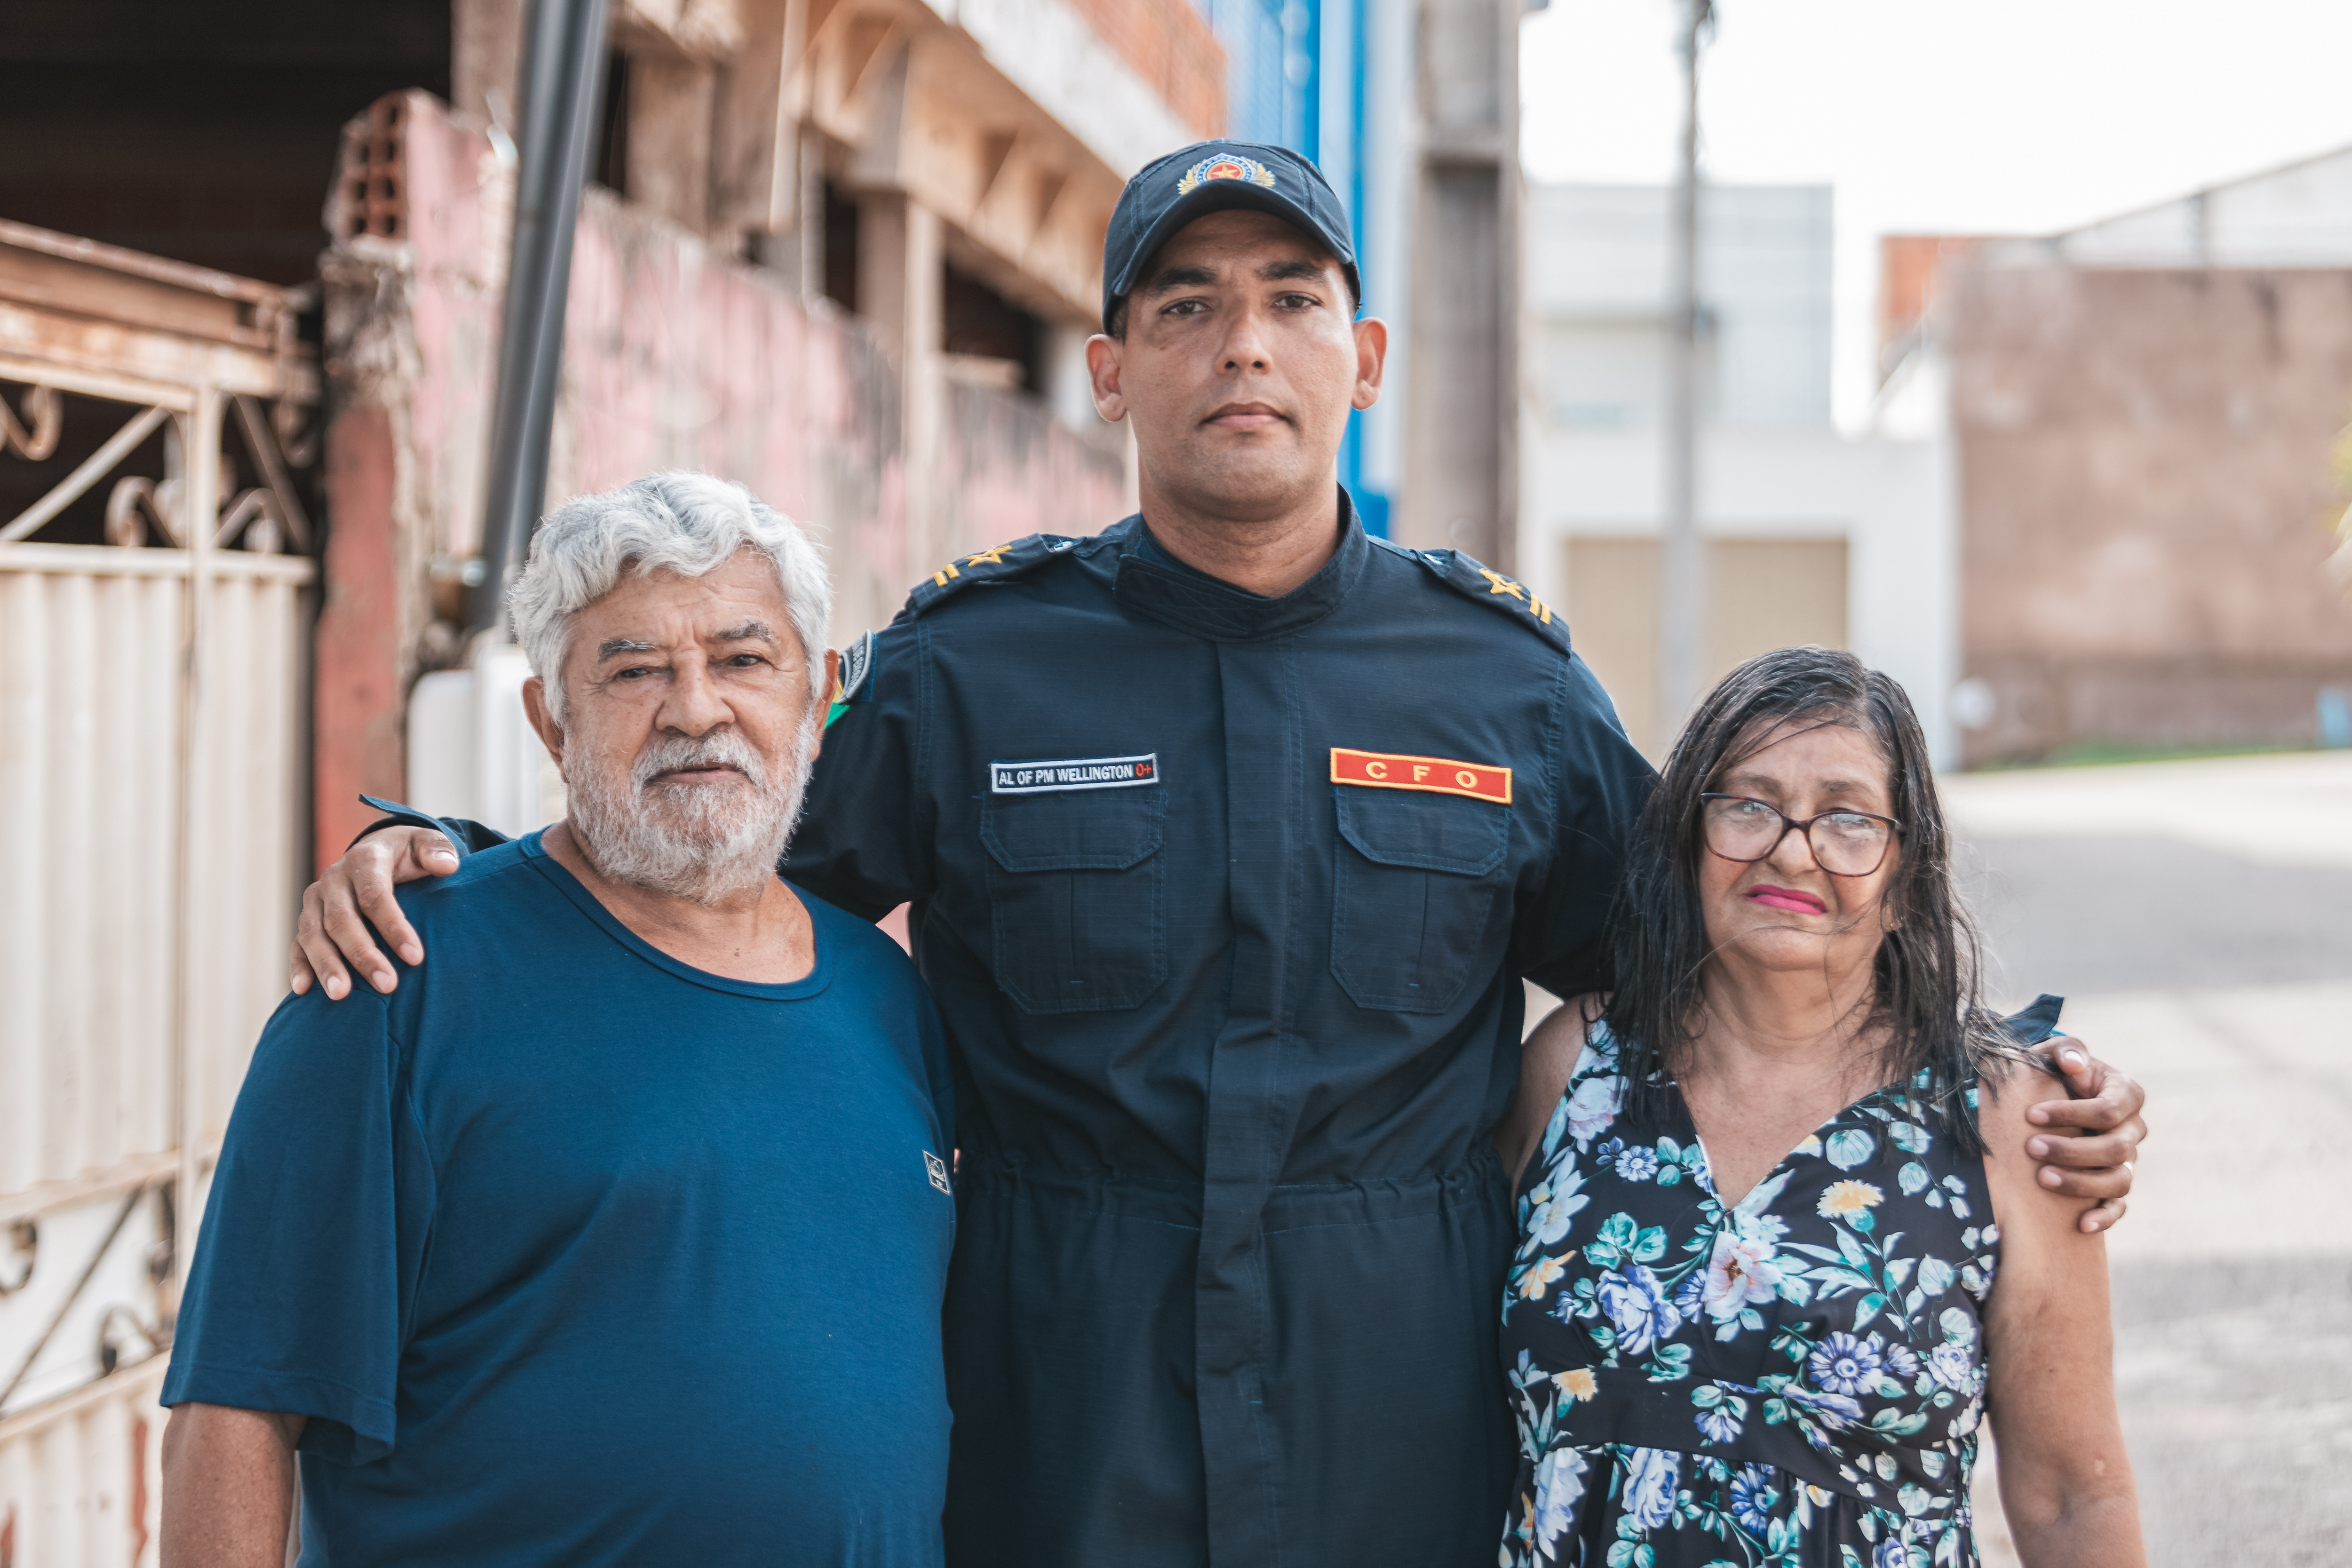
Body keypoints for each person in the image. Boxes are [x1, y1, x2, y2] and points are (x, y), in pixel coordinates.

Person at [282, 142, 2147, 1567]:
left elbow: (1734, 949)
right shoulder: (966, 666)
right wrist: (455, 872)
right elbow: (706, 876)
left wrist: (2005, 1077)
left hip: (1391, 1407)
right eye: (1179, 305)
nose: (1236, 341)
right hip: (1049, 1388)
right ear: (1108, 366)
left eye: (1283, 298)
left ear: (1364, 351)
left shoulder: (1499, 678)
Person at [159, 477, 958, 1567]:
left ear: (818, 698)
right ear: (550, 718)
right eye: (633, 670)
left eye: (741, 658)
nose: (694, 707)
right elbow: (240, 1405)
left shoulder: (887, 992)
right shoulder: (398, 980)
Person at [1493, 647, 2144, 1567]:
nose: (1792, 848)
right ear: (1686, 840)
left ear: (1904, 867)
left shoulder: (2010, 1122)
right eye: (1748, 804)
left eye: (1846, 817)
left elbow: (2072, 1494)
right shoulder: (1571, 1066)